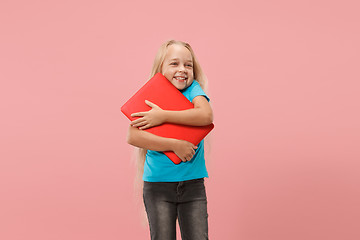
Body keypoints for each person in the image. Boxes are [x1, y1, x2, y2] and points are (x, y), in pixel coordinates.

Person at [126, 40, 213, 240]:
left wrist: (163, 116)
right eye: (174, 63)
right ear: (160, 69)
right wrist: (175, 145)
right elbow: (133, 135)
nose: (182, 69)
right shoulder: (151, 96)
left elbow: (206, 115)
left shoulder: (194, 90)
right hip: (158, 186)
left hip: (193, 185)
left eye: (188, 65)